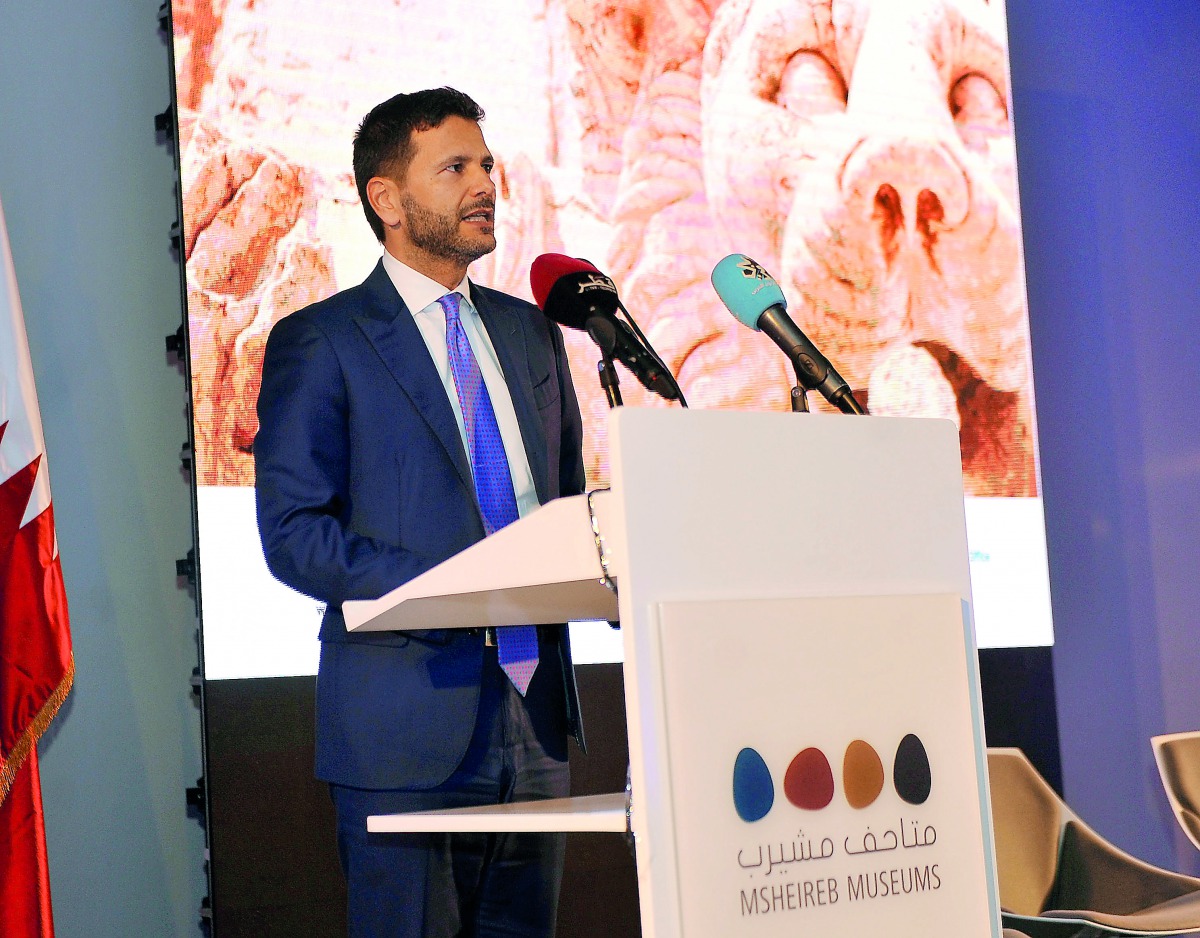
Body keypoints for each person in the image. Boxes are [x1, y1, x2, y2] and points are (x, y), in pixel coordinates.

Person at [253, 87, 587, 938]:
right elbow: (295, 535)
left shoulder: (531, 332)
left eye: (486, 164)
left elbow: (566, 500)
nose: (485, 183)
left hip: (533, 715)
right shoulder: (321, 340)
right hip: (403, 730)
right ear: (388, 201)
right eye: (455, 168)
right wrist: (455, 585)